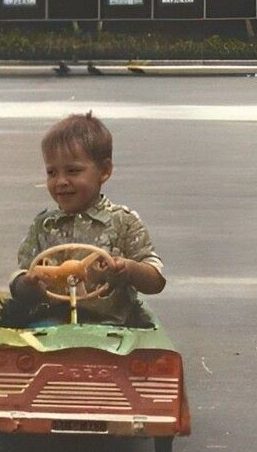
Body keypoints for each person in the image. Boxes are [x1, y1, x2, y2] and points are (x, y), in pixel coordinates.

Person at [9, 112, 165, 325]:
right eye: (52, 173)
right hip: (49, 325)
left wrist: (129, 269)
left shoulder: (124, 222)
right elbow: (21, 279)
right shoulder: (43, 225)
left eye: (73, 171)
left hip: (113, 327)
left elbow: (155, 282)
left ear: (104, 171)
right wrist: (29, 284)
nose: (61, 181)